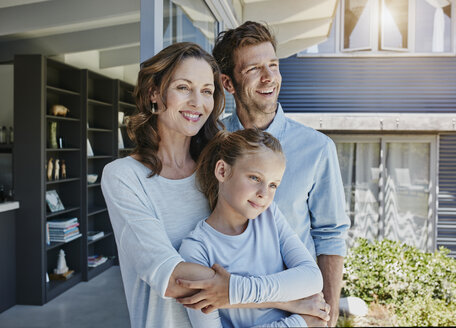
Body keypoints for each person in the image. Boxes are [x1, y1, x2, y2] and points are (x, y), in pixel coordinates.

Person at [102, 42, 330, 328]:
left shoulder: (221, 170)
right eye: (184, 87)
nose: (198, 102)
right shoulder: (123, 177)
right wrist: (287, 300)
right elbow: (173, 278)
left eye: (207, 91)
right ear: (154, 94)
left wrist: (263, 294)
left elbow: (269, 258)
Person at [213, 21, 351, 326]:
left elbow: (330, 236)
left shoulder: (317, 148)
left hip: (295, 318)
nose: (269, 78)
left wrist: (326, 318)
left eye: (273, 65)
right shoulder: (212, 145)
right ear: (228, 83)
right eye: (253, 69)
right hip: (224, 316)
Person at [179, 129, 327, 327]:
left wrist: (234, 291)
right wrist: (300, 321)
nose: (264, 194)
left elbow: (312, 277)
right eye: (255, 178)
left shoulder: (269, 216)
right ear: (222, 171)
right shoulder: (196, 249)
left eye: (273, 185)